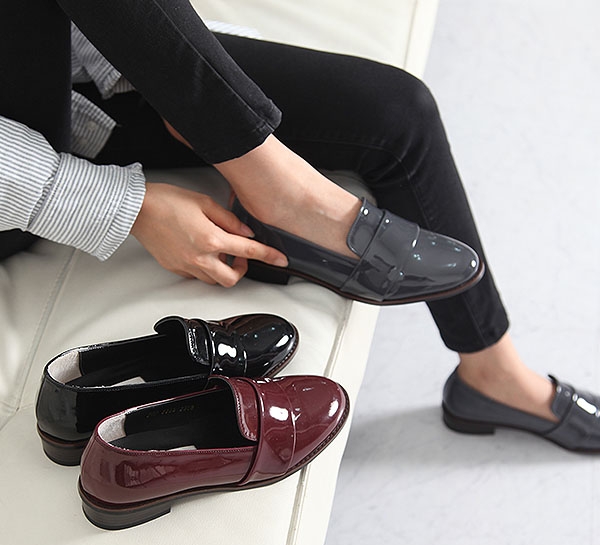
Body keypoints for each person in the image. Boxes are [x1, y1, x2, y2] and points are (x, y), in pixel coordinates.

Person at [1, 0, 598, 450]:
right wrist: (123, 207)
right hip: (15, 175)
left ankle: (493, 374)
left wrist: (177, 82)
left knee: (399, 112)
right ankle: (282, 194)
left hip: (55, 59)